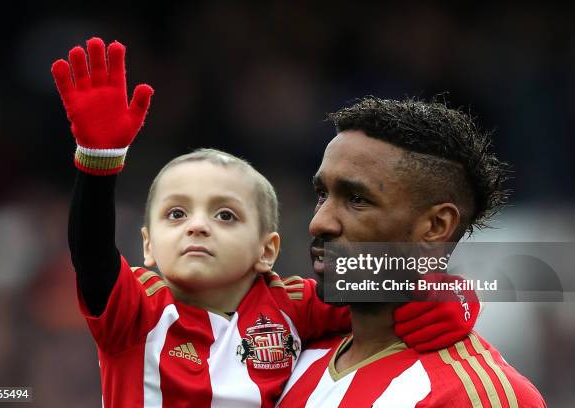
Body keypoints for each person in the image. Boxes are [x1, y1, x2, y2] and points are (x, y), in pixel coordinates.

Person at [52, 37, 481, 407]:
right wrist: (99, 164)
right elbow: (91, 254)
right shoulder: (139, 311)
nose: (196, 227)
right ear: (147, 246)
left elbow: (382, 296)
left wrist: (445, 291)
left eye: (225, 215)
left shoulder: (290, 306)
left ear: (266, 249)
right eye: (176, 214)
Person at [277, 97, 546, 407]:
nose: (318, 222)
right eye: (322, 194)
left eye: (356, 199)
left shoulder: (480, 396)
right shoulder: (281, 354)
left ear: (435, 226)